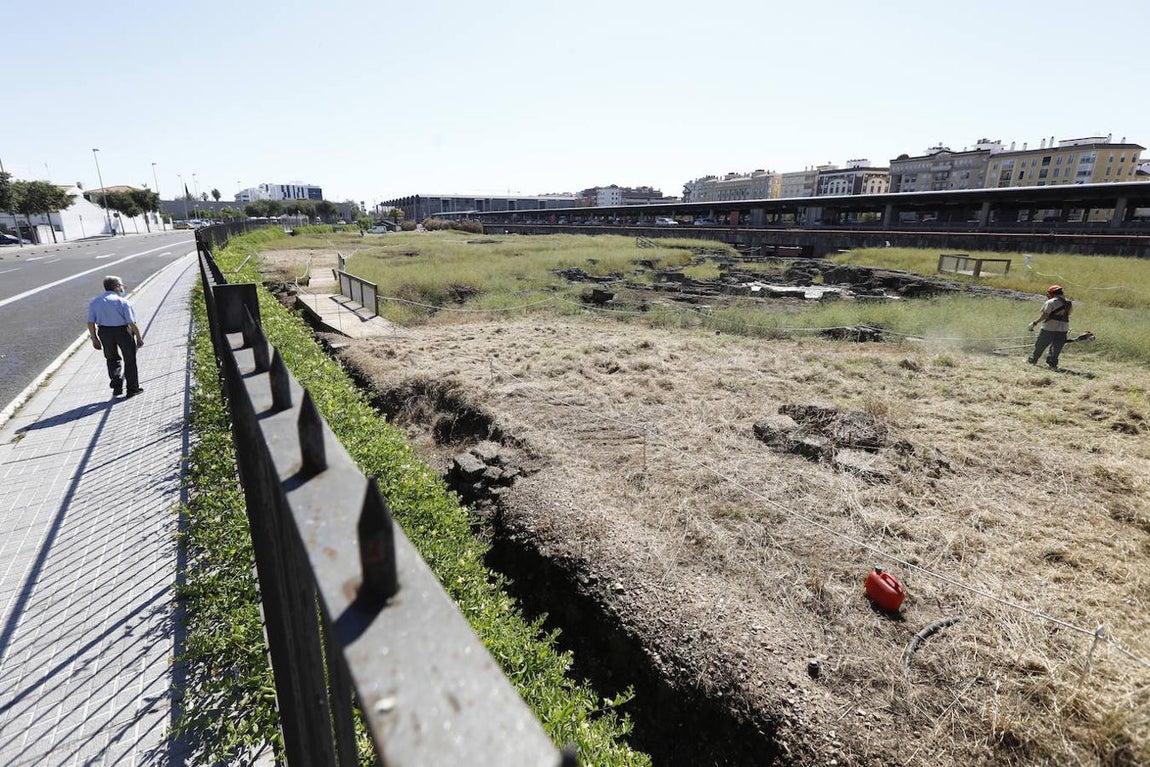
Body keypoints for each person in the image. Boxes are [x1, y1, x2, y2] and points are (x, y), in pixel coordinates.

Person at [87, 275, 144, 397]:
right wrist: (139, 337)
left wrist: (94, 338)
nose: (122, 288)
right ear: (117, 286)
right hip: (123, 331)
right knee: (130, 359)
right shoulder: (122, 302)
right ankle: (132, 389)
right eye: (121, 286)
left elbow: (90, 322)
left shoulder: (95, 302)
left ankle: (117, 384)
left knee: (111, 358)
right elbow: (131, 323)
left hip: (104, 332)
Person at [1027, 285, 1072, 369]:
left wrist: (1034, 323)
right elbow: (1068, 314)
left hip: (1050, 327)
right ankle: (1052, 364)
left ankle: (1033, 360)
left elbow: (1045, 315)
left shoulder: (1051, 302)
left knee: (1040, 344)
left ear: (1052, 293)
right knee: (1057, 347)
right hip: (1063, 328)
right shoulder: (1069, 303)